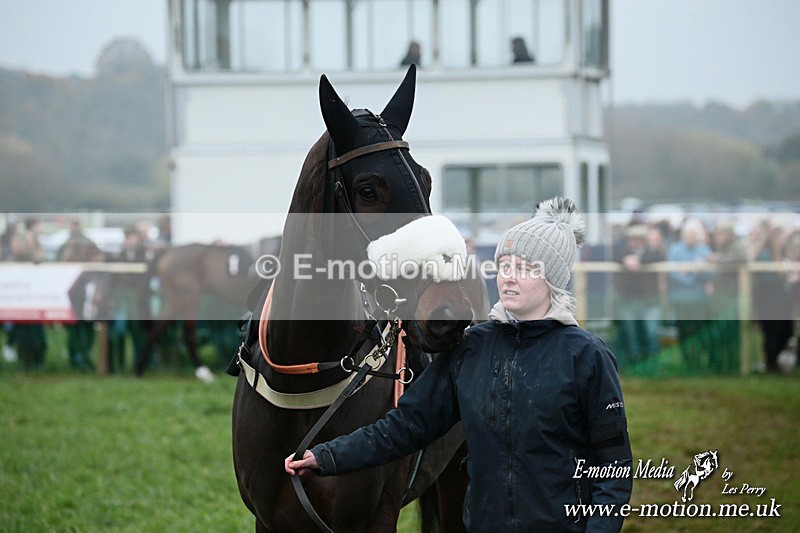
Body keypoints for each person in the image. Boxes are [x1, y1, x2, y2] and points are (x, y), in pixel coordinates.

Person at [286, 197, 632, 532]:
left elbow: (613, 464)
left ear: (553, 279)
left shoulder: (587, 356)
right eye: (504, 266)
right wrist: (327, 457)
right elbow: (403, 428)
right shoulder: (471, 350)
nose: (509, 278)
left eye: (525, 269)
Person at [613, 224, 664, 365]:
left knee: (651, 331)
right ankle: (634, 362)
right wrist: (625, 260)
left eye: (636, 240)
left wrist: (638, 261)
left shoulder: (652, 253)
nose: (632, 243)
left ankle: (653, 362)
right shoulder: (622, 252)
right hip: (628, 300)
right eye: (630, 240)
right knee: (631, 333)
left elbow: (657, 257)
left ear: (643, 240)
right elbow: (614, 256)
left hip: (649, 301)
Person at [667, 218, 712, 371]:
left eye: (693, 234)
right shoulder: (674, 250)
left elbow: (709, 274)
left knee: (698, 329)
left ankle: (698, 359)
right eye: (688, 234)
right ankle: (687, 360)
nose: (690, 237)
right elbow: (672, 273)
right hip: (680, 298)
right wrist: (693, 275)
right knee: (684, 330)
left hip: (698, 299)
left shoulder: (704, 250)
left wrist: (690, 273)